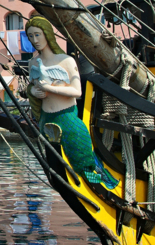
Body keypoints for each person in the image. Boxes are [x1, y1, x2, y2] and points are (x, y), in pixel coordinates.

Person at [25, 16, 118, 189]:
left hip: (67, 119)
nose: (34, 40)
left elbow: (77, 92)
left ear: (47, 34)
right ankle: (74, 187)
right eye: (30, 36)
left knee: (83, 160)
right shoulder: (32, 63)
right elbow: (31, 86)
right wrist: (33, 91)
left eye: (38, 34)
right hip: (46, 120)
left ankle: (101, 186)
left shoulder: (65, 61)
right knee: (56, 163)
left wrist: (51, 89)